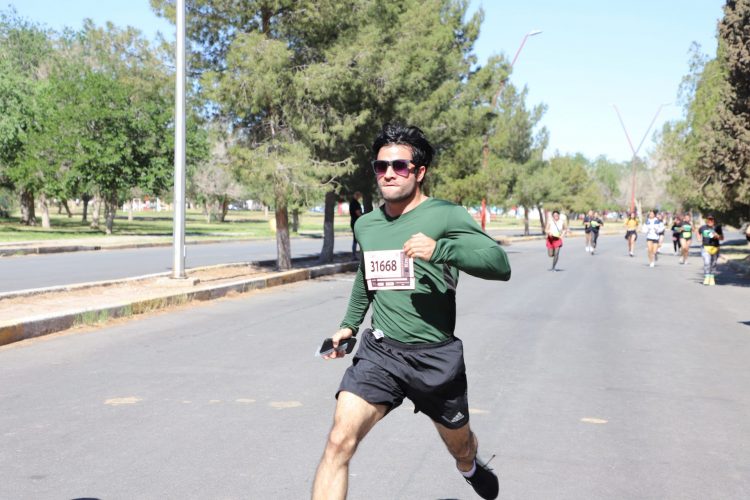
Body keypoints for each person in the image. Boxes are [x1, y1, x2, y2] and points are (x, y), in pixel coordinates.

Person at [312, 123, 510, 500]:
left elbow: (499, 264)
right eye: (381, 166)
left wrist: (441, 250)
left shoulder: (446, 215)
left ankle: (469, 465)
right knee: (339, 441)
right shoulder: (367, 224)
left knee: (460, 445)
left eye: (399, 166)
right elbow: (367, 275)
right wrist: (349, 325)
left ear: (419, 172)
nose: (388, 173)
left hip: (436, 358)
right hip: (381, 352)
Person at [697, 215, 724, 285]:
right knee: (707, 262)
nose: (710, 221)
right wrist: (699, 238)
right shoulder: (703, 227)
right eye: (709, 219)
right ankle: (707, 277)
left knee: (713, 263)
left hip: (715, 247)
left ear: (714, 221)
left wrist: (717, 236)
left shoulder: (717, 228)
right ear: (706, 220)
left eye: (711, 220)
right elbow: (698, 232)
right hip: (705, 247)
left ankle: (712, 277)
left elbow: (722, 238)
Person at [348, 191, 363, 258]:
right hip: (356, 222)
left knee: (356, 238)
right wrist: (363, 218)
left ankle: (355, 255)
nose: (360, 197)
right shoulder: (355, 203)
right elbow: (357, 213)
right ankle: (354, 255)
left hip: (354, 221)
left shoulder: (353, 202)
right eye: (359, 196)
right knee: (356, 238)